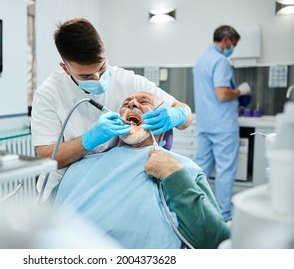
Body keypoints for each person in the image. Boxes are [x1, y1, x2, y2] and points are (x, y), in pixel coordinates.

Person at [31, 18, 193, 198]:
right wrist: (88, 140)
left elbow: (186, 114)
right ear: (66, 68)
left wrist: (177, 114)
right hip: (64, 191)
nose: (98, 78)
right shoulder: (48, 94)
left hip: (111, 189)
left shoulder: (127, 80)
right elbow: (46, 156)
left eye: (102, 68)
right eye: (86, 76)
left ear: (104, 49)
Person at [53, 91, 230, 249]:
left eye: (144, 102)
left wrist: (175, 175)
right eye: (126, 103)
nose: (132, 104)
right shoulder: (81, 166)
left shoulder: (181, 170)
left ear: (164, 124)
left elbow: (216, 241)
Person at [192, 25, 251, 222]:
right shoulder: (221, 61)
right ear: (226, 39)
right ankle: (224, 217)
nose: (232, 48)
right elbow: (222, 93)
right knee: (225, 171)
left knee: (199, 169)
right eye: (233, 44)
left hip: (206, 123)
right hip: (223, 126)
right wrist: (240, 91)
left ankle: (190, 208)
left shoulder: (201, 61)